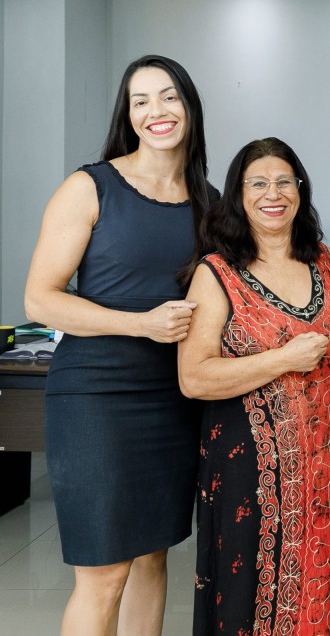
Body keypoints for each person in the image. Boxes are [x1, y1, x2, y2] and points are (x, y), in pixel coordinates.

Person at [23, 55, 216, 636]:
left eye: (169, 96)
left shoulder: (211, 202)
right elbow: (40, 300)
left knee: (154, 556)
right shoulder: (89, 187)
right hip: (95, 396)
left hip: (175, 399)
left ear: (189, 106)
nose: (157, 111)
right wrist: (140, 325)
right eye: (141, 100)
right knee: (105, 572)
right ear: (127, 115)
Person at [177, 137, 330, 636]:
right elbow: (193, 378)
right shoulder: (216, 273)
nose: (273, 194)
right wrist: (282, 360)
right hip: (252, 472)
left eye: (284, 182)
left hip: (329, 465)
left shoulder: (325, 260)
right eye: (258, 184)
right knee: (250, 595)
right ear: (238, 194)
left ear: (300, 189)